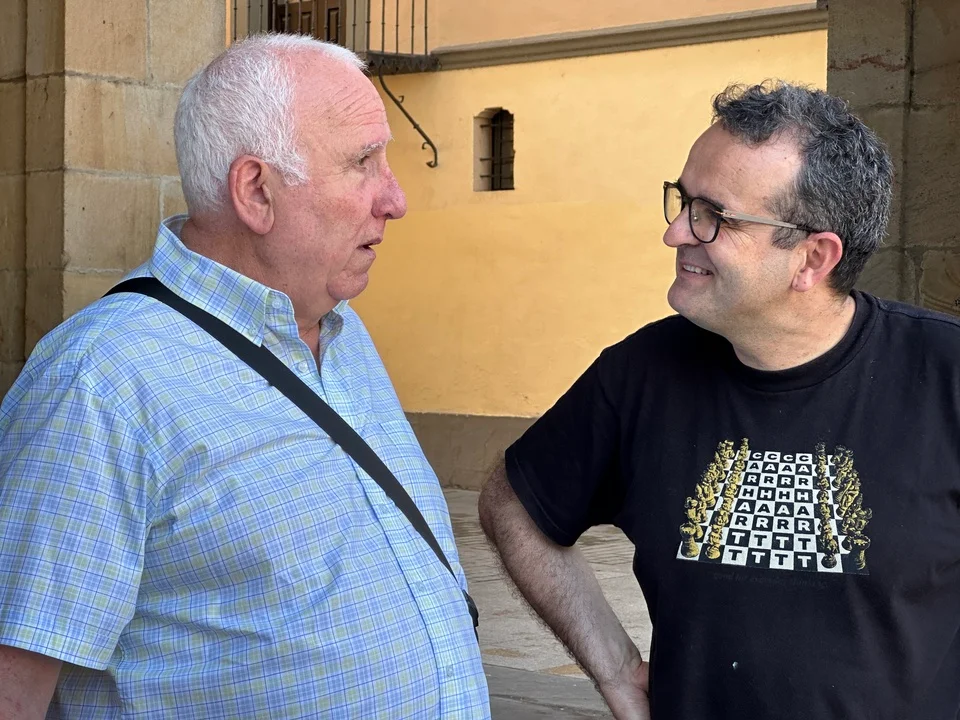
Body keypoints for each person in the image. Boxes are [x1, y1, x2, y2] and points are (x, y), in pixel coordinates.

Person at [0, 35, 488, 718]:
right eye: (363, 163)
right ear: (256, 192)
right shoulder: (100, 381)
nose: (396, 199)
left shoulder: (340, 331)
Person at [478, 81, 960, 720]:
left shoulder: (946, 376)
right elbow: (513, 504)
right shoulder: (642, 374)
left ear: (812, 258)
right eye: (682, 201)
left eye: (713, 215)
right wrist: (614, 667)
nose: (675, 232)